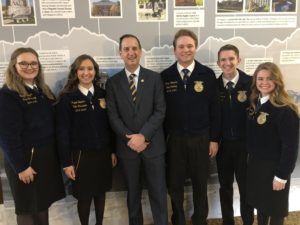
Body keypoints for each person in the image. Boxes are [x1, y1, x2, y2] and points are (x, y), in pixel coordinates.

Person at [106, 34, 168, 225]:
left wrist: (144, 136)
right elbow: (113, 116)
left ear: (140, 51)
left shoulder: (155, 78)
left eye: (134, 48)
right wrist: (131, 139)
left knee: (158, 193)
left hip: (153, 147)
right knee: (133, 196)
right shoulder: (113, 83)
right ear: (120, 53)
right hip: (128, 149)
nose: (131, 53)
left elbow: (160, 110)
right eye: (126, 49)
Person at [161, 29, 220, 225]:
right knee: (175, 184)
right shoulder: (165, 76)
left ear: (196, 48)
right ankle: (178, 219)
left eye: (189, 46)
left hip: (201, 139)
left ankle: (200, 220)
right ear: (174, 49)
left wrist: (214, 139)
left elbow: (215, 110)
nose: (185, 50)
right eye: (181, 46)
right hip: (175, 140)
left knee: (200, 183)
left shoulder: (207, 74)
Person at [0, 47, 65, 225]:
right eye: (23, 63)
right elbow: (6, 136)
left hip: (43, 158)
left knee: (41, 205)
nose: (29, 67)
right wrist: (21, 167)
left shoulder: (42, 90)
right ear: (14, 66)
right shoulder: (7, 94)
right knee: (27, 208)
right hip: (25, 161)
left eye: (33, 63)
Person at [55, 54, 117, 225]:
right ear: (75, 72)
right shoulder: (67, 98)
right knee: (84, 196)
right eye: (81, 69)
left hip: (103, 154)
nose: (86, 72)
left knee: (101, 192)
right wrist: (67, 162)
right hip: (81, 156)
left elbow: (109, 126)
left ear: (95, 71)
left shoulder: (102, 94)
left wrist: (112, 150)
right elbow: (62, 133)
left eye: (90, 68)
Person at [246, 62, 299, 225]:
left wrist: (282, 176)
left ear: (277, 80)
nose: (264, 82)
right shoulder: (258, 103)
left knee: (275, 212)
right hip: (258, 168)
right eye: (260, 78)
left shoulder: (285, 110)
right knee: (262, 208)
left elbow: (290, 147)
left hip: (275, 170)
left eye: (269, 78)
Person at [216, 44, 254, 225]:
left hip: (245, 145)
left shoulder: (251, 83)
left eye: (231, 59)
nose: (227, 63)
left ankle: (247, 221)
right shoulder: (214, 86)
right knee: (225, 187)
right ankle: (227, 221)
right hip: (223, 146)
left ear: (239, 60)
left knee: (246, 188)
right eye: (223, 59)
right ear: (218, 63)